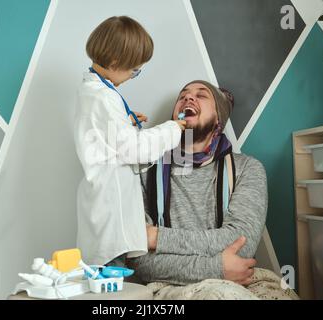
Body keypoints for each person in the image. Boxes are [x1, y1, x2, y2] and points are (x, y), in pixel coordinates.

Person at [127, 80, 298, 300]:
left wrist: (157, 238)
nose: (189, 98)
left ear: (219, 119)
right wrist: (217, 268)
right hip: (169, 285)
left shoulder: (247, 169)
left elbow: (241, 245)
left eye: (201, 95)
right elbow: (137, 259)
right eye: (183, 96)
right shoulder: (144, 170)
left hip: (243, 279)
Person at [74, 16, 186, 267]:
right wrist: (171, 129)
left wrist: (126, 121)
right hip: (110, 210)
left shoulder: (94, 92)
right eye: (135, 70)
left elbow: (104, 135)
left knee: (104, 277)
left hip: (102, 202)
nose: (134, 75)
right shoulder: (103, 97)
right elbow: (134, 150)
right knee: (111, 286)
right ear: (115, 63)